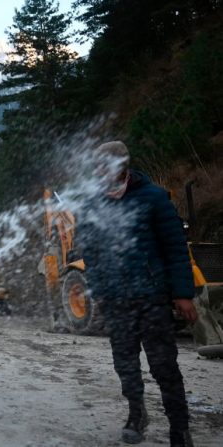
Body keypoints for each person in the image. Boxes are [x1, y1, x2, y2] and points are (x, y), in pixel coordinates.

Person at [77, 141, 197, 447]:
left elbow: (175, 249)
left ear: (123, 165)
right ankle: (136, 414)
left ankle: (179, 429)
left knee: (164, 367)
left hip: (152, 298)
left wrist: (182, 293)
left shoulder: (154, 198)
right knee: (125, 365)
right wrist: (100, 291)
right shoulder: (92, 205)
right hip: (116, 301)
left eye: (107, 166)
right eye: (98, 168)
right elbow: (90, 254)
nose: (101, 173)